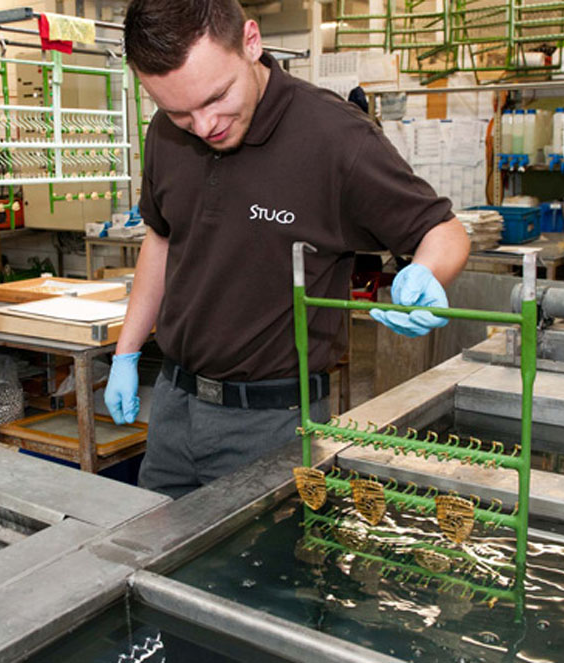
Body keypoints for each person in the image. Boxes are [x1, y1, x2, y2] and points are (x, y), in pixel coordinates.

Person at [104, 0, 470, 499]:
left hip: (272, 421)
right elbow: (162, 238)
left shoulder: (336, 139)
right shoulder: (168, 134)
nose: (204, 125)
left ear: (251, 42)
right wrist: (126, 353)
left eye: (217, 97)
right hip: (172, 407)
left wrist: (428, 272)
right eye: (179, 111)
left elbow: (443, 231)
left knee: (257, 573)